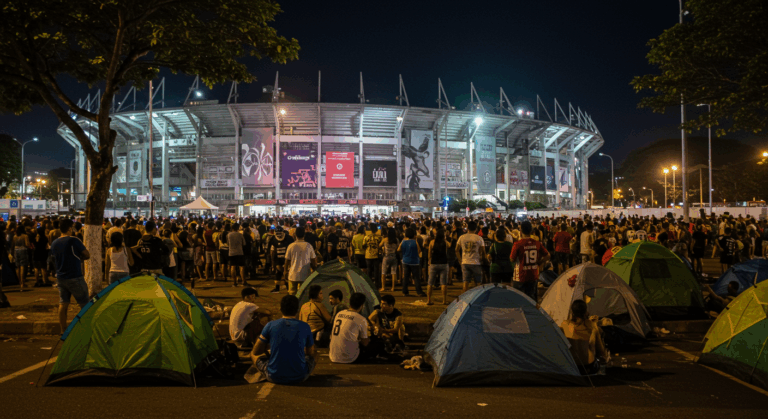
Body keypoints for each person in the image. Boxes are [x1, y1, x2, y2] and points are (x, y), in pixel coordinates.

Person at [248, 295, 315, 384]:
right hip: (300, 377)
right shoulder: (305, 326)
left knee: (252, 354)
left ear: (280, 309)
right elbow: (310, 353)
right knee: (315, 354)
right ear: (297, 310)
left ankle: (263, 373)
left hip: (274, 376)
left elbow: (256, 351)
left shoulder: (270, 325)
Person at [50, 219, 91, 333]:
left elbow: (53, 259)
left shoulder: (54, 243)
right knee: (84, 304)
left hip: (61, 277)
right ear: (69, 228)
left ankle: (63, 329)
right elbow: (87, 255)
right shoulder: (74, 240)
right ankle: (86, 329)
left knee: (63, 303)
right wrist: (79, 258)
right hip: (75, 276)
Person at [329, 292, 382, 363]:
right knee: (379, 344)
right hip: (350, 358)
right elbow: (365, 342)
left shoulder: (339, 314)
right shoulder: (360, 319)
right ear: (362, 306)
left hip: (333, 355)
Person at [560, 300, 609, 375]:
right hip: (589, 366)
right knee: (595, 335)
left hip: (572, 366)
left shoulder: (564, 324)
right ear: (585, 311)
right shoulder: (592, 325)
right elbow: (600, 351)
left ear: (572, 311)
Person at [510, 221, 550, 301]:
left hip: (520, 276)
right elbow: (548, 255)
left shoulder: (518, 244)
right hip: (533, 274)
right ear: (531, 231)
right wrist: (539, 262)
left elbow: (512, 259)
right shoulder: (537, 243)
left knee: (519, 300)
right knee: (532, 300)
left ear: (521, 231)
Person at [283, 227, 317, 296]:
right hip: (305, 274)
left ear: (295, 235)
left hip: (293, 274)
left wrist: (285, 271)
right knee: (303, 295)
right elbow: (313, 260)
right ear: (304, 235)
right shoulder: (308, 246)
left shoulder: (291, 246)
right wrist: (315, 269)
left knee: (292, 294)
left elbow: (287, 261)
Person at [456, 221, 486, 293]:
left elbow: (456, 250)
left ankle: (464, 300)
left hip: (465, 262)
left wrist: (460, 260)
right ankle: (477, 298)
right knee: (478, 283)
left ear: (467, 228)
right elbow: (483, 251)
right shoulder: (479, 238)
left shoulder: (462, 237)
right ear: (476, 229)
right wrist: (482, 259)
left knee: (465, 282)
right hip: (476, 262)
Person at [398, 227, 425, 297]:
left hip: (405, 261)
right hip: (414, 261)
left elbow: (398, 249)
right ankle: (419, 291)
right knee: (416, 277)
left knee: (406, 277)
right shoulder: (415, 242)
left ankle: (405, 291)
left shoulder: (403, 242)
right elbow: (419, 250)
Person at [427, 228, 450, 305]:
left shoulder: (432, 242)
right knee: (443, 283)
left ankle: (429, 300)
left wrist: (429, 261)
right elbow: (450, 246)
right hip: (444, 263)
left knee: (430, 282)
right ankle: (444, 300)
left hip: (433, 263)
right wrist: (446, 238)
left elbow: (429, 253)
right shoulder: (445, 243)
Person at [269, 226, 294, 293]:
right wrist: (273, 262)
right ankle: (278, 288)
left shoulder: (289, 238)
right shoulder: (273, 239)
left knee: (287, 273)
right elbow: (272, 251)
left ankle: (288, 287)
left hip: (287, 259)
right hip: (278, 259)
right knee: (279, 273)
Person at [379, 228, 399, 292]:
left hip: (386, 257)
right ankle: (393, 287)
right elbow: (398, 248)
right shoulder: (396, 240)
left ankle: (383, 287)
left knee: (383, 272)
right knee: (393, 272)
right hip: (393, 256)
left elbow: (379, 245)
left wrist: (383, 248)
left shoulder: (385, 239)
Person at [228, 223, 248, 287]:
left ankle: (234, 282)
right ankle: (243, 281)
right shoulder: (240, 235)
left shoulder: (228, 235)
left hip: (231, 252)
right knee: (241, 267)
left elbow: (227, 243)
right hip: (240, 252)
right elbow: (244, 244)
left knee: (233, 267)